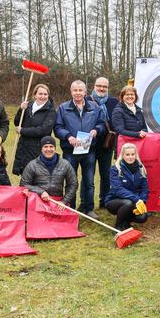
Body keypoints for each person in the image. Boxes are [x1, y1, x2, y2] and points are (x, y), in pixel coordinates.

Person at [54, 80, 105, 218]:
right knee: (71, 181)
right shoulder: (63, 108)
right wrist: (68, 137)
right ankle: (71, 209)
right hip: (70, 151)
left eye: (80, 90)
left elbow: (102, 124)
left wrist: (96, 130)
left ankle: (88, 209)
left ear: (85, 92)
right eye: (75, 90)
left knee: (89, 181)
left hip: (89, 150)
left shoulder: (94, 107)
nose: (78, 93)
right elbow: (58, 127)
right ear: (71, 92)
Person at [88, 77, 119, 209]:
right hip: (90, 143)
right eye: (99, 86)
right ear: (94, 86)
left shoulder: (114, 102)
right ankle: (87, 203)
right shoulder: (86, 100)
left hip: (106, 143)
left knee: (106, 175)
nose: (101, 88)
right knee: (88, 175)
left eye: (104, 87)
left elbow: (117, 120)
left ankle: (105, 201)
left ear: (108, 88)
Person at [20, 136, 78, 206]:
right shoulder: (32, 165)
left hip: (58, 202)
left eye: (51, 146)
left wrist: (64, 201)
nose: (48, 149)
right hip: (37, 201)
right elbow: (24, 184)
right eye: (45, 147)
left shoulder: (65, 164)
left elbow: (73, 184)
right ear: (41, 149)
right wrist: (41, 192)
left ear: (55, 148)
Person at [12, 83, 56, 175]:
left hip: (38, 148)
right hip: (24, 147)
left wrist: (22, 131)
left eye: (45, 94)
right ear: (35, 95)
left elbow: (43, 130)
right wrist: (21, 109)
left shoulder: (50, 111)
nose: (43, 96)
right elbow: (17, 122)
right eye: (40, 94)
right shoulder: (27, 106)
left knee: (37, 177)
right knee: (24, 177)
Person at [104, 143, 149, 231]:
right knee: (128, 203)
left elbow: (145, 188)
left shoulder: (141, 168)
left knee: (143, 217)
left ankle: (126, 221)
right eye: (127, 154)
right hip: (114, 201)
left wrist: (142, 201)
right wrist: (136, 199)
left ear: (136, 155)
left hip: (134, 200)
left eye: (132, 154)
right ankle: (118, 226)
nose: (130, 157)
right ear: (122, 155)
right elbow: (117, 189)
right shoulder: (115, 168)